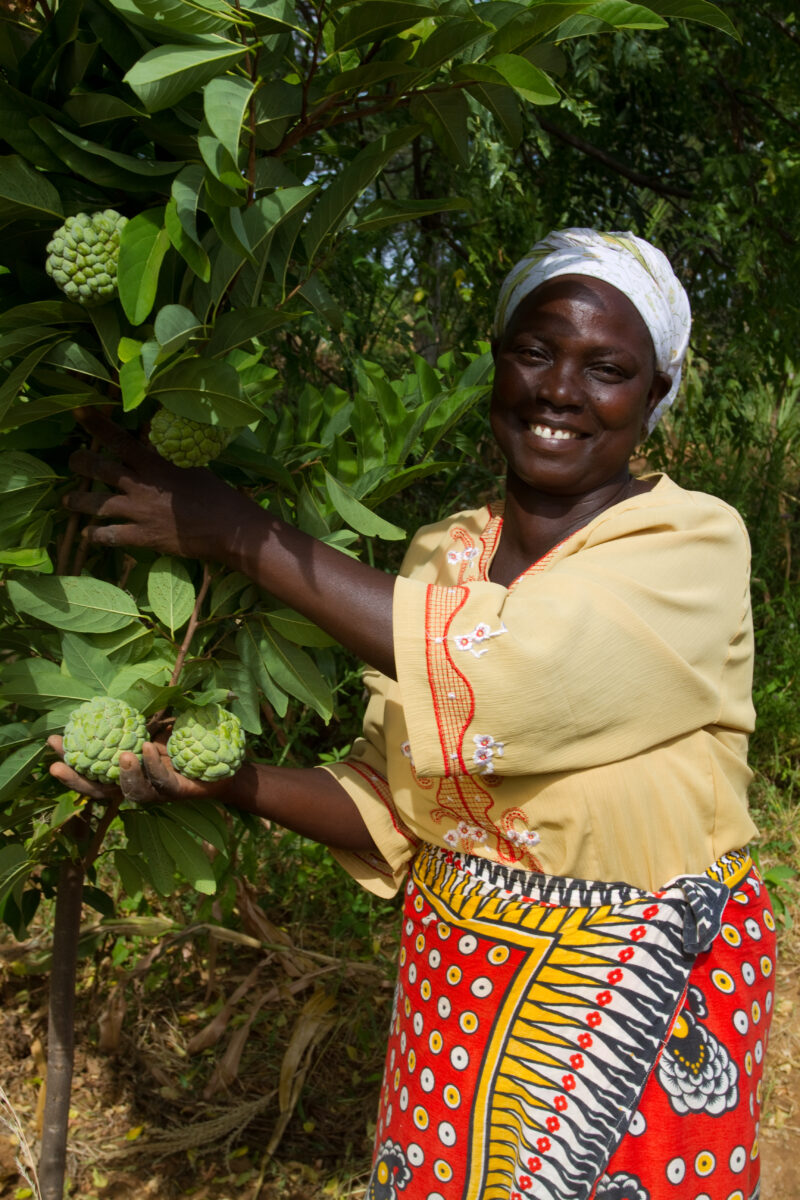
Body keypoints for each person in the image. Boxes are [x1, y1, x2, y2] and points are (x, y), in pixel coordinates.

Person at [50, 229, 775, 1200]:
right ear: (493, 362)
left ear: (653, 397)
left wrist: (238, 532)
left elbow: (517, 664)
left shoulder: (686, 540)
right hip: (456, 985)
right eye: (532, 350)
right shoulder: (444, 557)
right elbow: (395, 801)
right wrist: (226, 780)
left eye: (605, 368)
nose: (558, 388)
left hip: (638, 996)